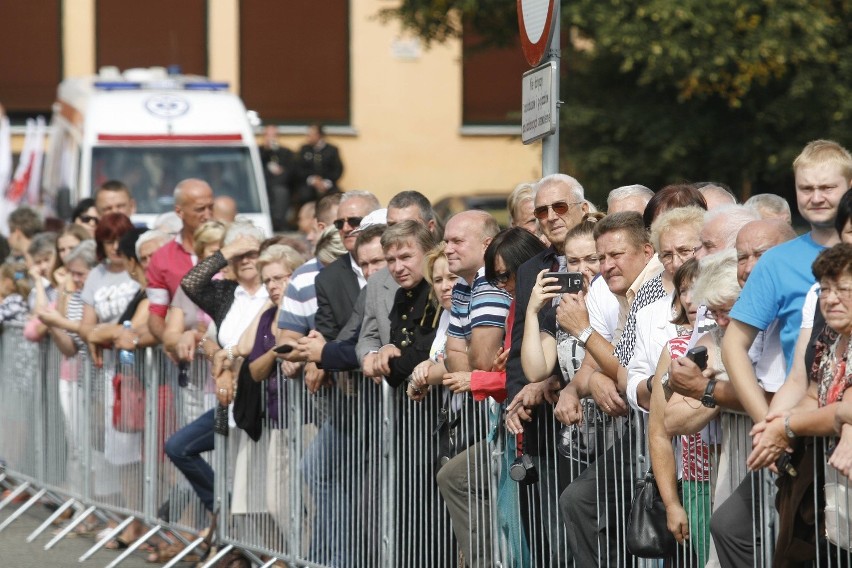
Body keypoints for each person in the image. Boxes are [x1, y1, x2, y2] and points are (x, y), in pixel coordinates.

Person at [747, 243, 852, 560]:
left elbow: (845, 408)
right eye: (825, 289)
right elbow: (811, 393)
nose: (831, 299)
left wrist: (789, 425)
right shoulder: (830, 336)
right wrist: (776, 425)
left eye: (843, 289)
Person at [436, 209, 506, 568]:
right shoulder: (464, 286)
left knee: (458, 477)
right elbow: (454, 357)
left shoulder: (492, 283)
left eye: (457, 241)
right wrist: (464, 355)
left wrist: (464, 354)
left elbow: (480, 359)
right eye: (445, 240)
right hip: (490, 414)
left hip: (509, 415)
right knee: (454, 476)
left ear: (487, 244)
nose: (447, 248)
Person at [146, 179, 215, 341]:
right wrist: (174, 343)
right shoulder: (162, 258)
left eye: (211, 207)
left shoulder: (229, 248)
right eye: (200, 209)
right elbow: (157, 314)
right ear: (179, 212)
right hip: (188, 356)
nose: (208, 215)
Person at [313, 191, 380, 341]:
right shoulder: (327, 279)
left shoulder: (398, 265)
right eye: (339, 223)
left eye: (354, 221)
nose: (346, 228)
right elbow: (328, 339)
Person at [294, 123, 344, 207]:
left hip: (328, 184)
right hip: (309, 184)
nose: (308, 137)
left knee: (337, 197)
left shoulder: (332, 150)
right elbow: (298, 169)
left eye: (310, 134)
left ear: (318, 135)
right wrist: (312, 180)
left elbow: (338, 169)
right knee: (304, 195)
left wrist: (325, 182)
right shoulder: (304, 149)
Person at [260, 125, 296, 231]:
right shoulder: (259, 151)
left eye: (274, 135)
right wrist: (267, 150)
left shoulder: (285, 153)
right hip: (262, 186)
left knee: (281, 192)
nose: (271, 138)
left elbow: (291, 172)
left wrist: (281, 172)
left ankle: (278, 224)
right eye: (268, 135)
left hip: (280, 186)